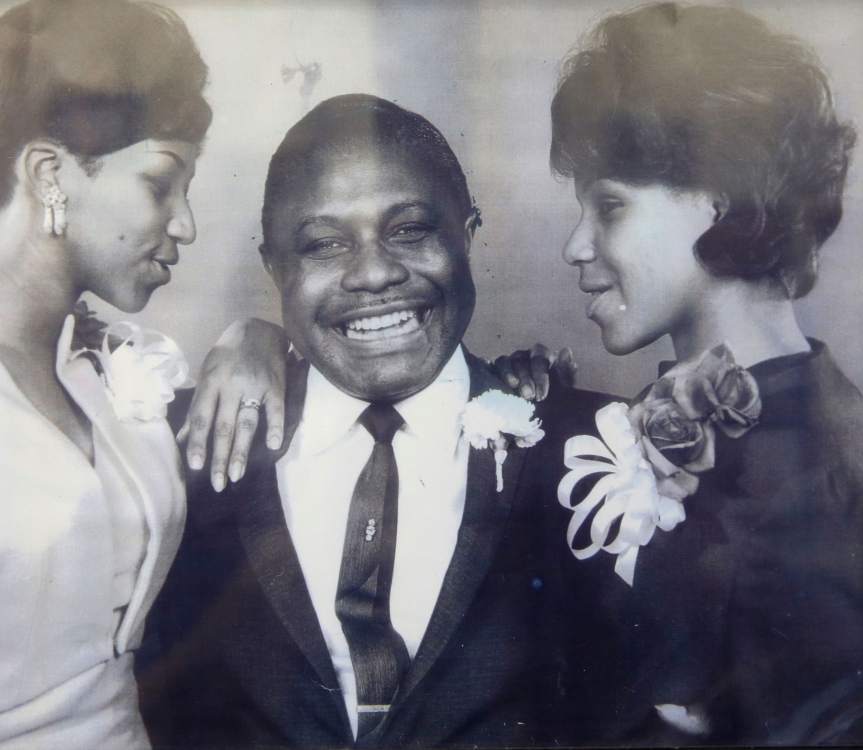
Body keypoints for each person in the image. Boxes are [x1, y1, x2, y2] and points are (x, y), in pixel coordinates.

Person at [137, 94, 608, 748]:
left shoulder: (592, 450)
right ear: (275, 266)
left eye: (410, 229)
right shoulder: (181, 446)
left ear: (466, 235)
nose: (376, 272)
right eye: (325, 244)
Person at [541, 3, 863, 744]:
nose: (575, 246)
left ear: (716, 203)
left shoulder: (796, 475)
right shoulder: (807, 410)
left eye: (609, 206)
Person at [0, 1, 212, 747]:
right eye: (163, 182)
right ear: (48, 175)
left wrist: (255, 341)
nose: (188, 223)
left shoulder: (107, 366)